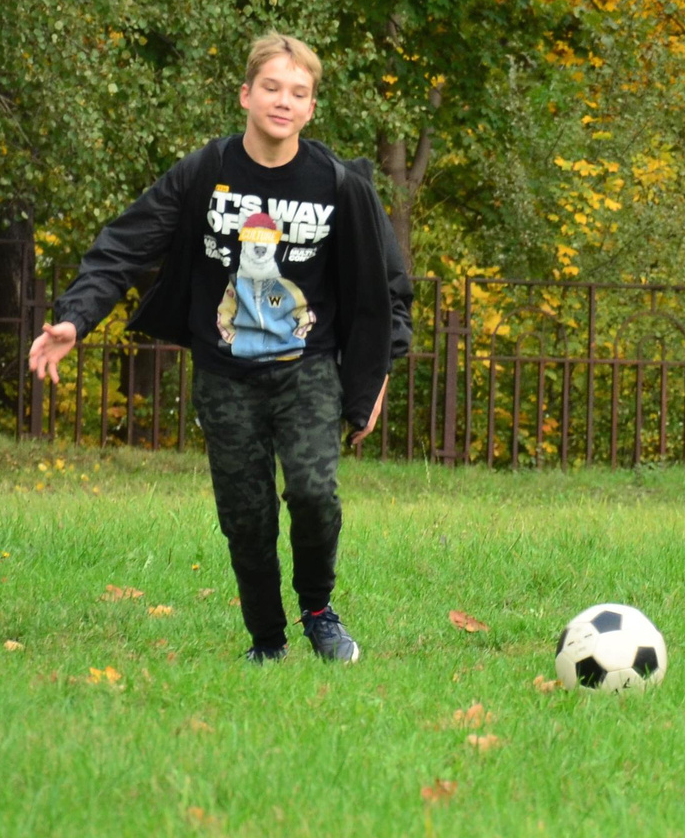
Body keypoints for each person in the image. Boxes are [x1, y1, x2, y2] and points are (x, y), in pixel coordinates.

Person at [27, 33, 414, 663]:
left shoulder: (339, 184)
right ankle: (267, 640)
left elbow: (389, 293)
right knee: (247, 515)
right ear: (245, 94)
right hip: (224, 374)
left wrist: (374, 379)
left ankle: (318, 609)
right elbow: (124, 245)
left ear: (311, 108)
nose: (283, 102)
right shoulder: (204, 173)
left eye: (298, 92)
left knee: (314, 495)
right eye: (271, 87)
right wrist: (76, 319)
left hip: (308, 371)